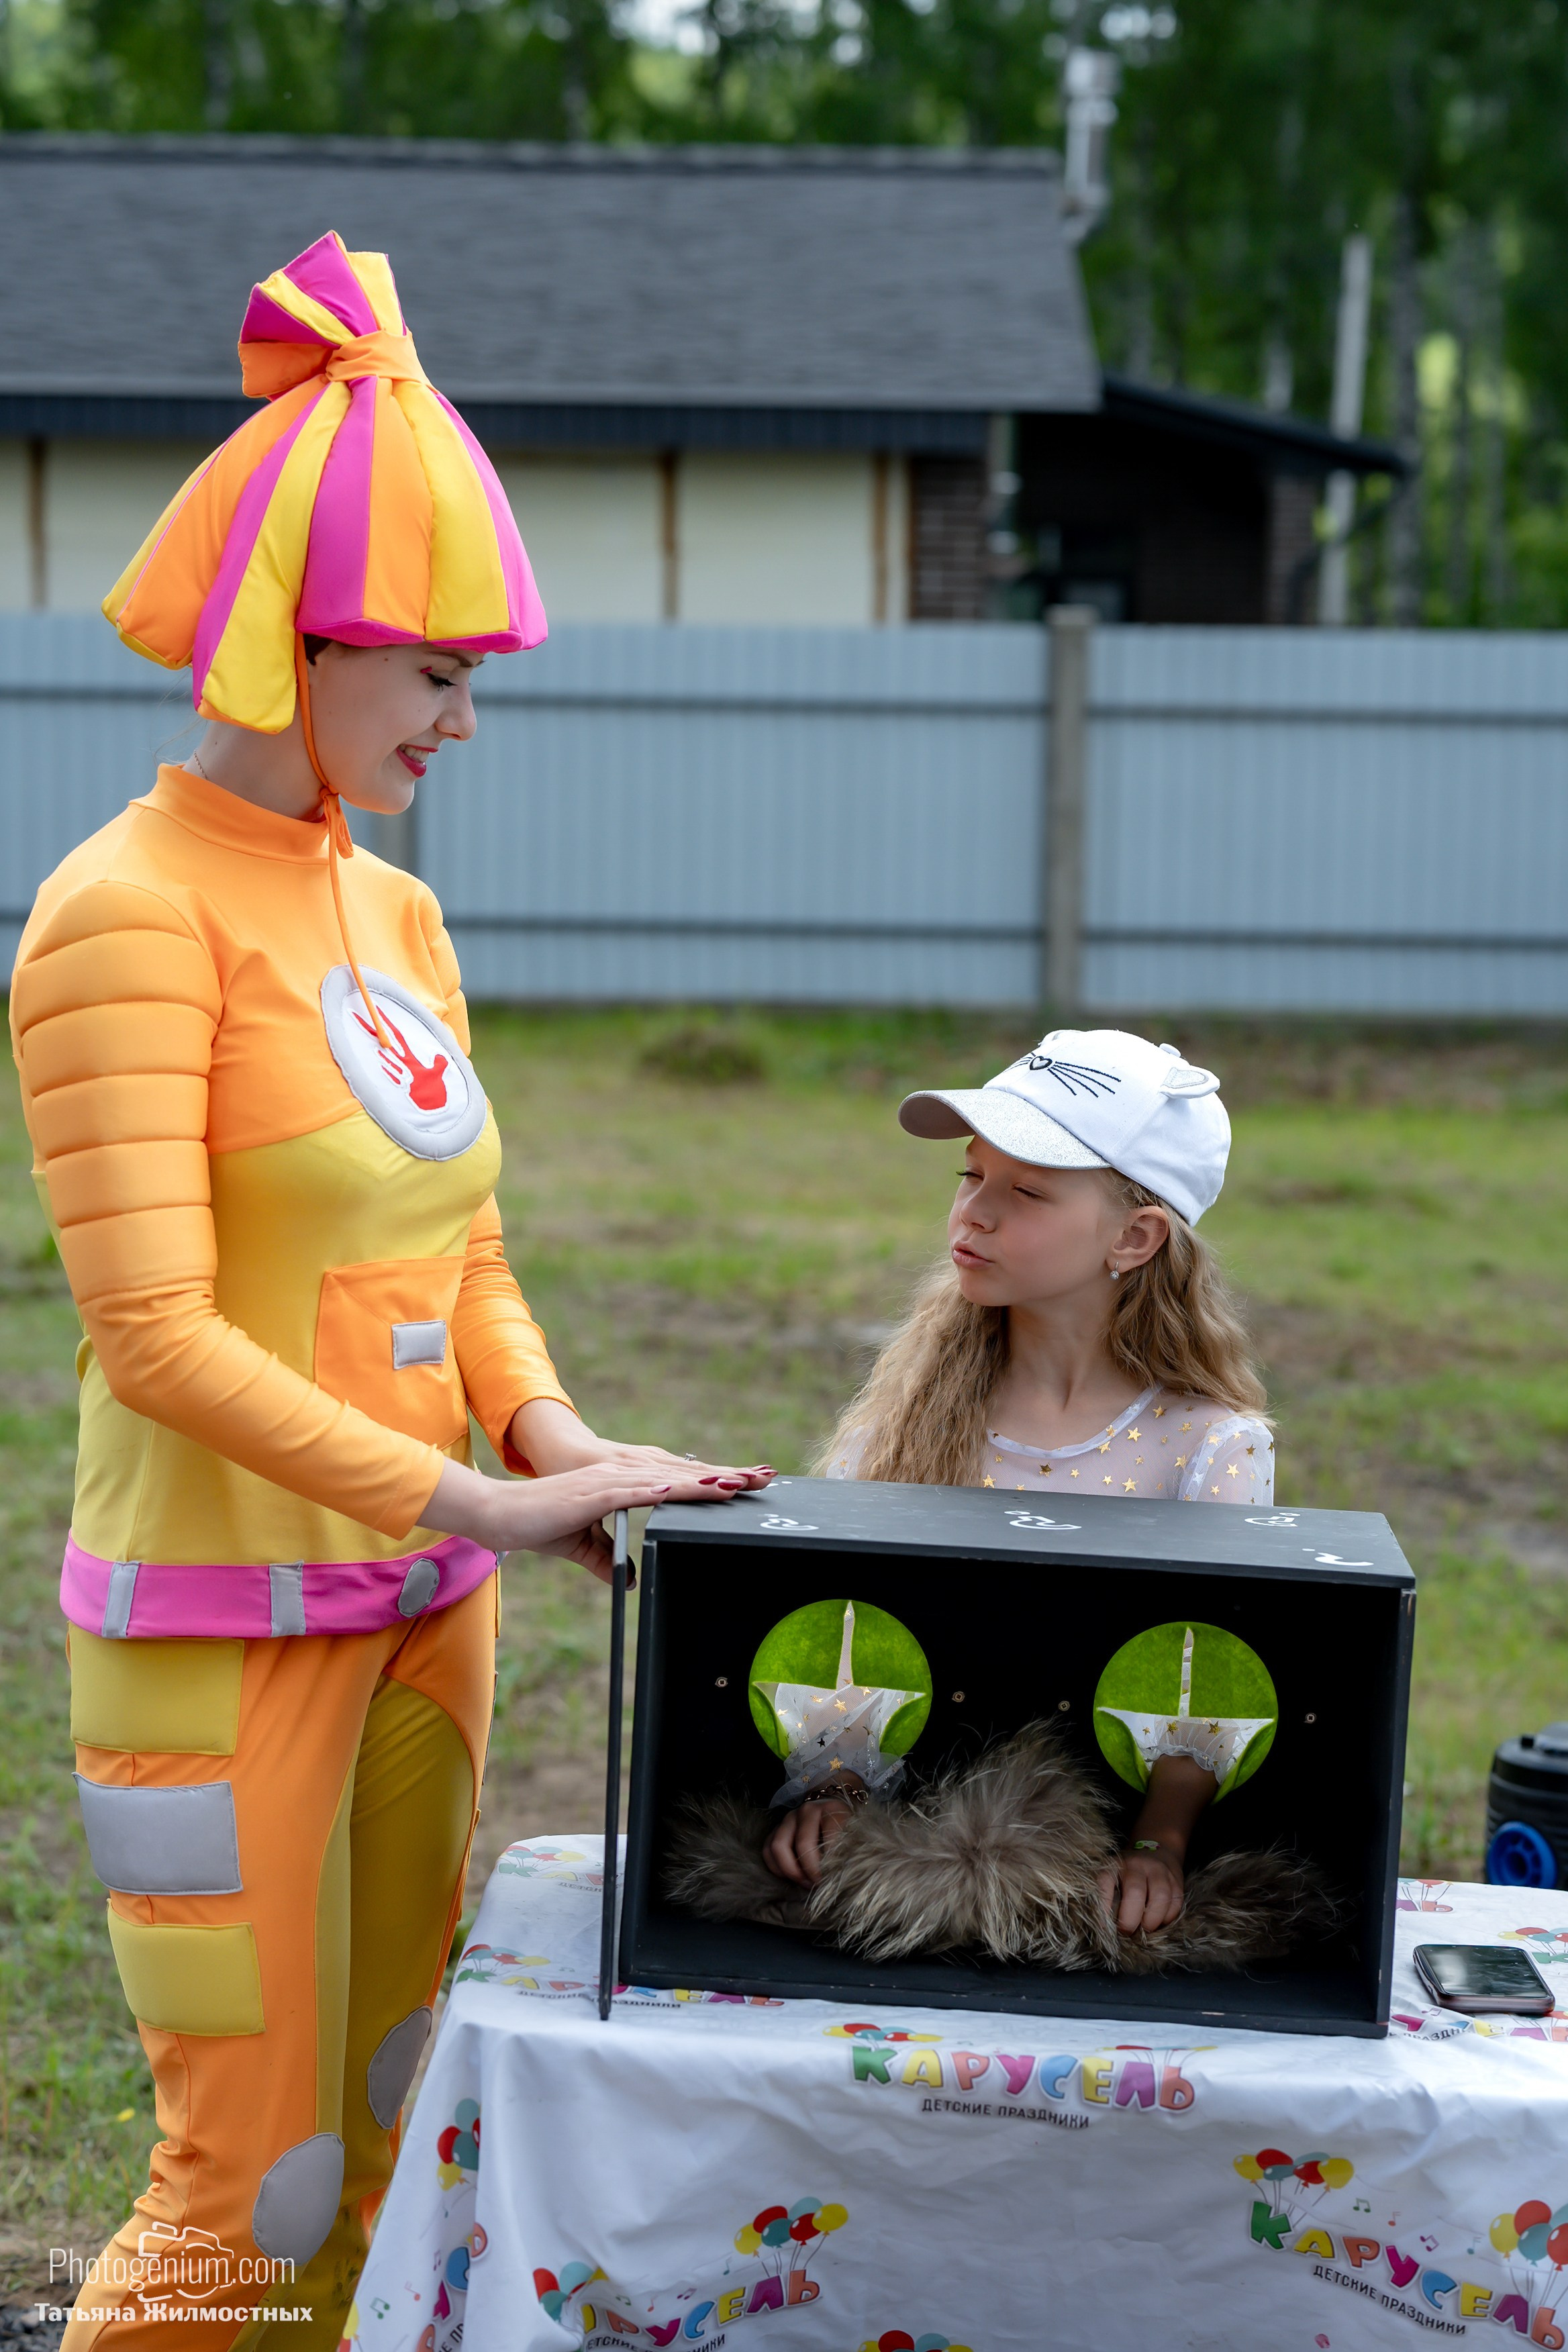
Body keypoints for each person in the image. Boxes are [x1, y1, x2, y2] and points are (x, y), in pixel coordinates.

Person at [9, 233, 768, 2352]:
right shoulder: (119, 917)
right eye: (427, 663)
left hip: (429, 1620)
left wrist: (550, 1443)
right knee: (244, 2191)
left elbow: (466, 1242)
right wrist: (478, 1501)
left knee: (384, 2118)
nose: (459, 711)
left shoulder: (396, 912)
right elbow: (157, 1335)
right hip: (217, 1638)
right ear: (285, 639)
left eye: (471, 672)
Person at [766, 1027, 1271, 1935]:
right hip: (901, 1854)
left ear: (1136, 1234)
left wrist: (1159, 1844)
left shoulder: (1209, 1451)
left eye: (1027, 1191)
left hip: (1091, 1868)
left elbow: (1206, 1684)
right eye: (970, 1177)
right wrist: (835, 1782)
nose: (974, 1215)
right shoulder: (903, 1421)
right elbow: (846, 1623)